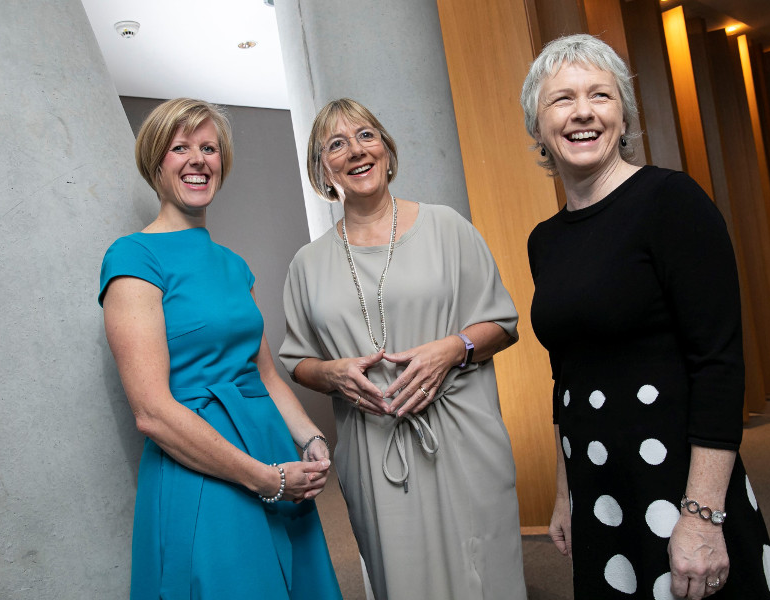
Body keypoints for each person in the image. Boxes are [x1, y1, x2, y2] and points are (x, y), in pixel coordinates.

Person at [522, 34, 770, 600]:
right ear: (537, 127)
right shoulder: (544, 241)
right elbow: (565, 377)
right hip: (599, 485)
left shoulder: (672, 202)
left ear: (624, 115)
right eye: (562, 100)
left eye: (601, 95)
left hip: (681, 483)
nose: (584, 112)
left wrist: (701, 516)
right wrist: (567, 494)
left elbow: (718, 365)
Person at [278, 98, 526, 599]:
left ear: (388, 151)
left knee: (485, 575)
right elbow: (297, 361)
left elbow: (502, 322)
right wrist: (333, 375)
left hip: (461, 436)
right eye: (336, 144)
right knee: (404, 582)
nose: (356, 151)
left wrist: (452, 348)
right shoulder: (307, 263)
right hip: (374, 449)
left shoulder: (447, 227)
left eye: (367, 135)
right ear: (323, 171)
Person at [99, 98, 341, 599]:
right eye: (180, 147)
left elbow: (267, 376)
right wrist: (264, 479)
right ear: (155, 162)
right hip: (206, 467)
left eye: (208, 148)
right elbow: (151, 412)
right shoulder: (133, 257)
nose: (197, 159)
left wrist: (311, 439)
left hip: (272, 453)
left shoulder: (233, 264)